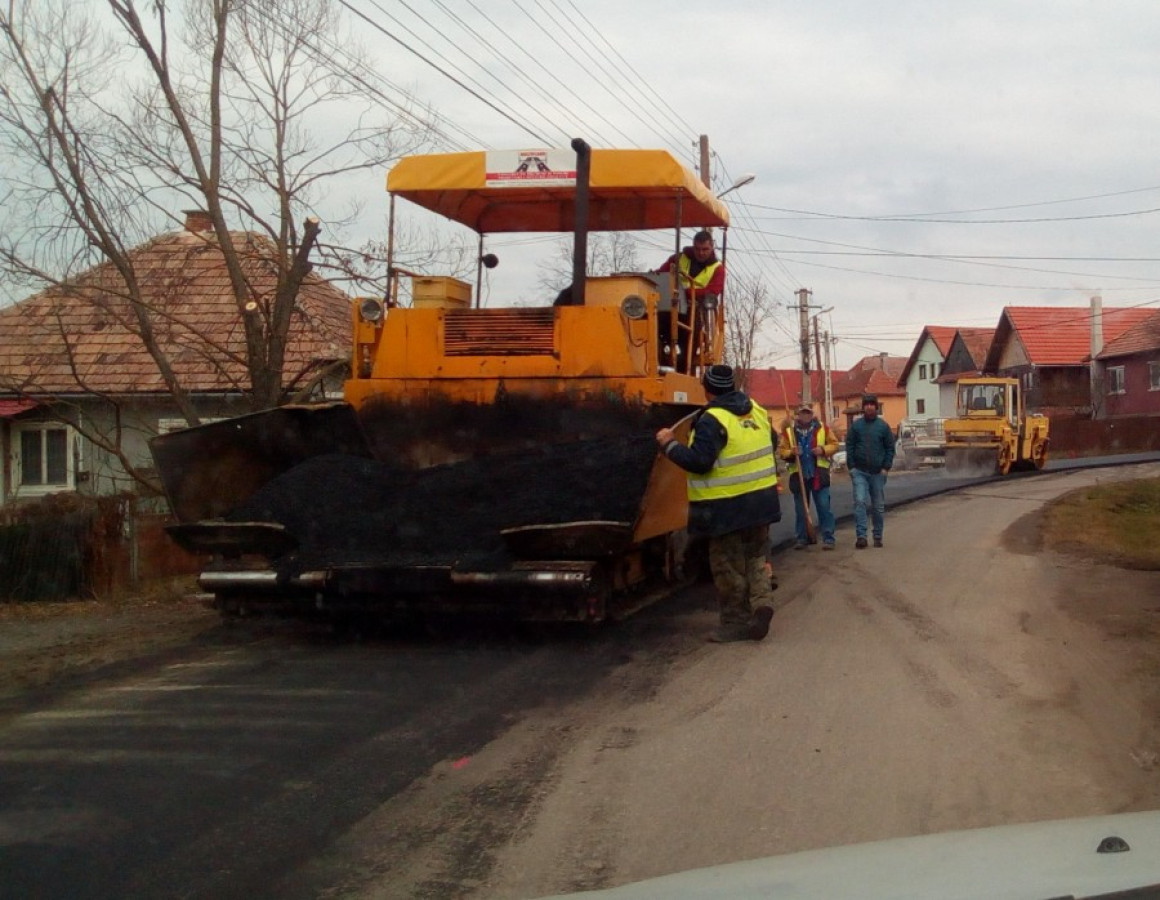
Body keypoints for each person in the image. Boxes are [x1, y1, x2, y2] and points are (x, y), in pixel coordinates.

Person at [655, 365, 780, 643]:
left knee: (727, 567)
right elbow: (773, 440)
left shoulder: (712, 419)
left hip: (727, 509)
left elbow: (700, 462)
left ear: (707, 389)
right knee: (756, 558)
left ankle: (735, 623)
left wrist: (669, 445)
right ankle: (762, 604)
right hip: (761, 503)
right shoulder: (755, 409)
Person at [777, 405, 838, 550]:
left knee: (824, 507)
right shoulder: (789, 433)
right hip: (799, 476)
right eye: (802, 413)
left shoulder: (823, 429)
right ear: (798, 415)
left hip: (818, 475)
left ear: (812, 414)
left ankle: (828, 538)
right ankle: (802, 538)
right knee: (801, 510)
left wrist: (823, 450)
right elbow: (782, 451)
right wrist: (792, 453)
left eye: (808, 413)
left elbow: (834, 445)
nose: (805, 416)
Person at [845, 394, 896, 549]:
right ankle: (861, 536)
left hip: (878, 473)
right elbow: (850, 446)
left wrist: (885, 468)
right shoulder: (856, 427)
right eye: (866, 404)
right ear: (863, 407)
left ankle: (878, 536)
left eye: (871, 404)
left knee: (878, 506)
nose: (869, 407)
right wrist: (852, 467)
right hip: (859, 471)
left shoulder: (883, 427)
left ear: (876, 407)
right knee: (860, 501)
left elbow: (890, 448)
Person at [654, 229, 725, 302]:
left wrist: (686, 293)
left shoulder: (718, 269)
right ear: (693, 247)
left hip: (698, 309)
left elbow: (712, 292)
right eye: (697, 249)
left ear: (712, 247)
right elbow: (660, 275)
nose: (701, 253)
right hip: (672, 305)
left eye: (705, 249)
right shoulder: (678, 259)